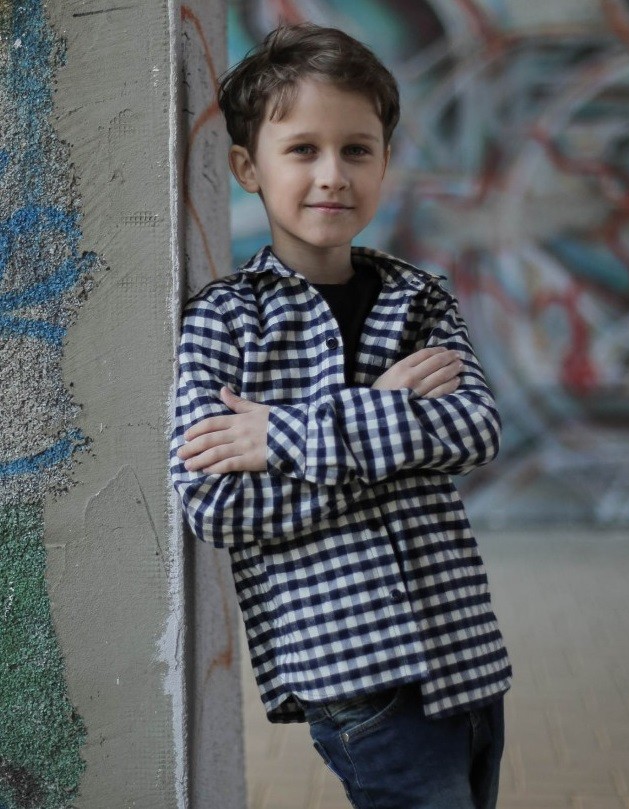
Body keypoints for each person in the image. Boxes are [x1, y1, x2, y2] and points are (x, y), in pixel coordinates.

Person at [170, 22, 512, 809]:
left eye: (357, 149)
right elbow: (216, 502)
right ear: (247, 167)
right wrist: (393, 427)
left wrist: (283, 435)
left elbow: (473, 429)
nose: (332, 175)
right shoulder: (225, 321)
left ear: (385, 160)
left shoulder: (418, 298)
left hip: (465, 652)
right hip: (353, 673)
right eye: (303, 150)